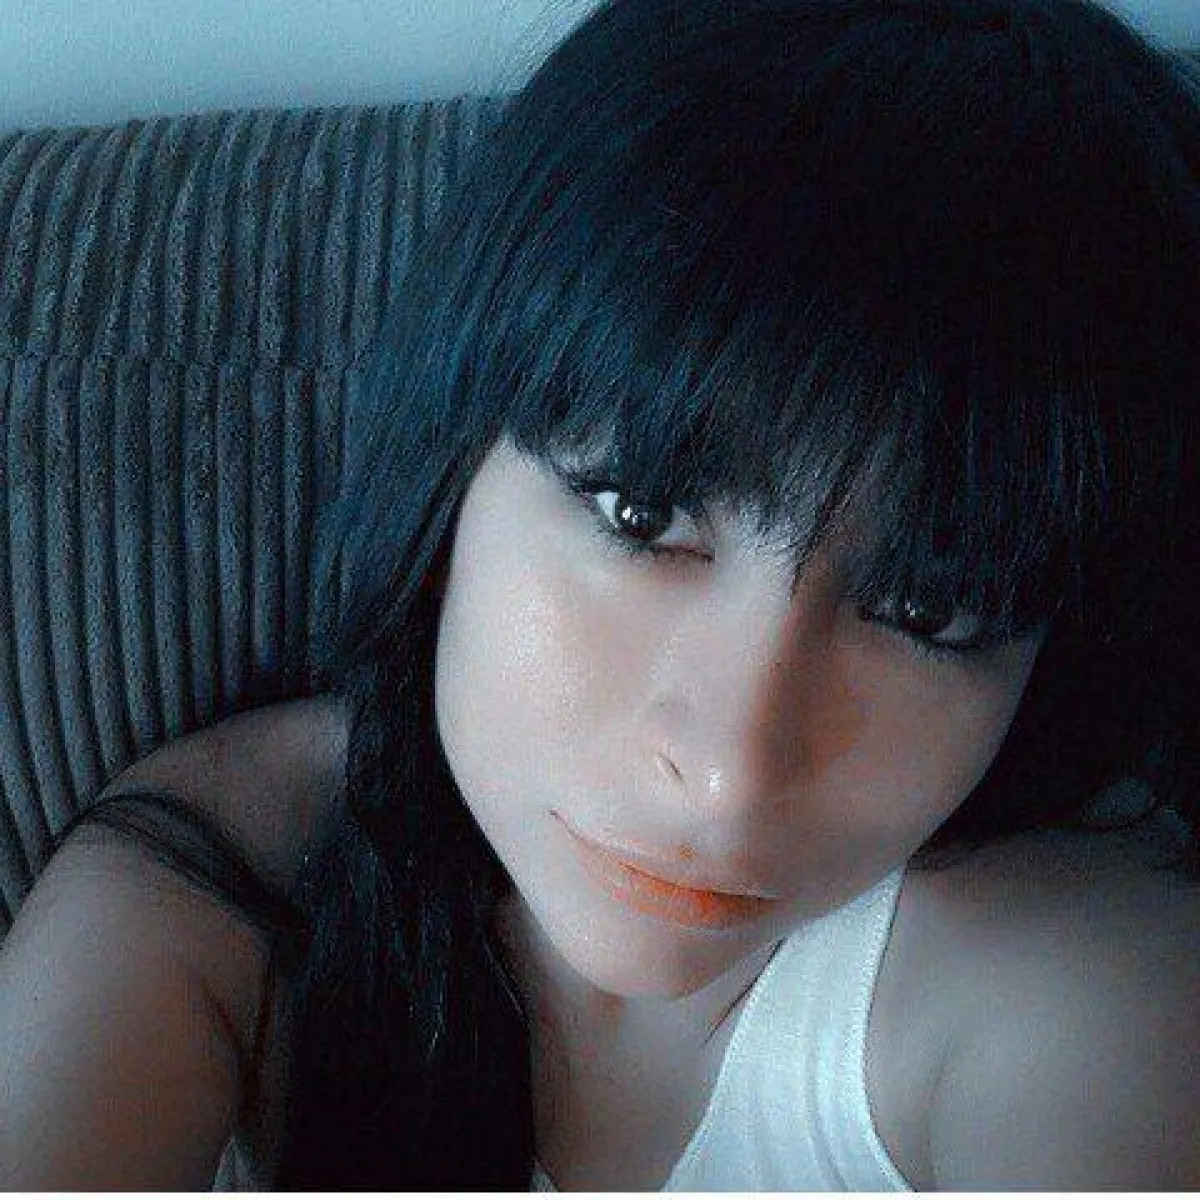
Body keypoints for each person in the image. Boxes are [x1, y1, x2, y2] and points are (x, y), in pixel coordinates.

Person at [2, 0, 1200, 1189]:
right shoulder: (224, 878)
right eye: (643, 517)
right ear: (453, 463)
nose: (732, 773)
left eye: (928, 615)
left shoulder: (1075, 978)